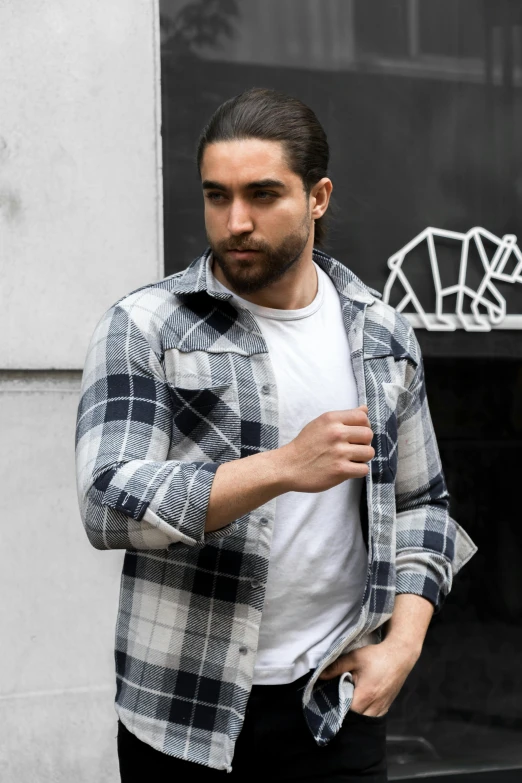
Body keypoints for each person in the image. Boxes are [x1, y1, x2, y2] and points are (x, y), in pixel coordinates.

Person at [75, 88, 476, 781]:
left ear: (317, 197)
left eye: (262, 195)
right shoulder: (144, 325)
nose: (235, 221)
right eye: (217, 196)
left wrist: (403, 644)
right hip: (184, 710)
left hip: (335, 701)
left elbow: (423, 504)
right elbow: (107, 500)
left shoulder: (379, 332)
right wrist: (284, 466)